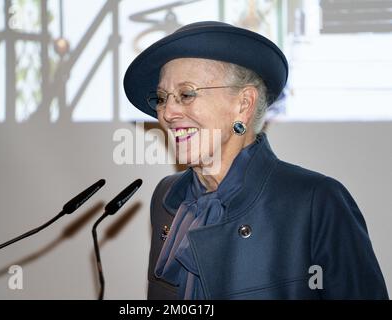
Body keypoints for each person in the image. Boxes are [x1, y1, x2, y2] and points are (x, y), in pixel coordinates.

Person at [123, 21, 388, 300]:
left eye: (186, 94)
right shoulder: (168, 198)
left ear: (244, 104)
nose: (167, 112)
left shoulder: (315, 201)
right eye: (162, 98)